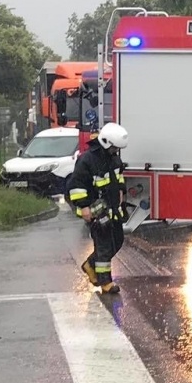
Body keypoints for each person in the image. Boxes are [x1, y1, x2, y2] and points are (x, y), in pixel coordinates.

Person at [68, 122, 130, 295]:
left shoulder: (114, 159)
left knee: (117, 241)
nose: (116, 152)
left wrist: (121, 194)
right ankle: (105, 283)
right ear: (106, 142)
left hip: (112, 208)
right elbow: (77, 185)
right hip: (95, 209)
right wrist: (84, 207)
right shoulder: (87, 160)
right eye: (114, 148)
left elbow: (119, 179)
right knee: (103, 245)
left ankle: (90, 264)